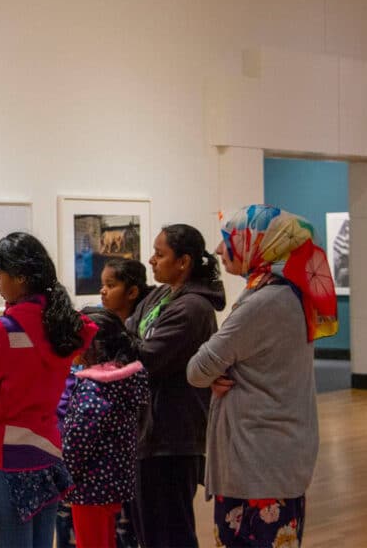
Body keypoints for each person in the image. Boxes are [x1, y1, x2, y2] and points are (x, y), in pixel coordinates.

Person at [187, 205, 338, 548]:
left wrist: (214, 371)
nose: (219, 249)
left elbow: (197, 369)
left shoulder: (265, 301)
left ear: (261, 245)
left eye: (230, 240)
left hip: (257, 464)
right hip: (275, 459)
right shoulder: (291, 293)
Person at [0, 232, 97, 548]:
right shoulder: (65, 326)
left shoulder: (8, 331)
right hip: (48, 453)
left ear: (20, 276)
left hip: (7, 459)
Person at [127, 224, 226, 548]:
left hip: (173, 435)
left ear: (183, 262)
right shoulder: (159, 295)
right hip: (149, 432)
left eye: (159, 254)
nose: (151, 261)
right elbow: (130, 334)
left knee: (171, 532)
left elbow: (146, 357)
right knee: (150, 531)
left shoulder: (194, 307)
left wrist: (127, 346)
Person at [56, 258, 153, 548]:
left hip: (89, 490)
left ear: (91, 347)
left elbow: (77, 443)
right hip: (116, 484)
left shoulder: (92, 391)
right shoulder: (125, 382)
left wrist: (61, 476)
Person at [100, 257, 154, 323]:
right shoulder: (103, 318)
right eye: (103, 285)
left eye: (110, 285)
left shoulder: (146, 325)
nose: (102, 291)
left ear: (132, 292)